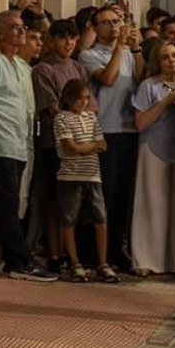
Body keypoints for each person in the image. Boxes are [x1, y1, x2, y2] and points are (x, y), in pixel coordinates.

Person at [0, 12, 53, 280]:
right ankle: (18, 262)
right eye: (13, 28)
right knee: (7, 202)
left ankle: (16, 257)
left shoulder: (20, 66)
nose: (20, 31)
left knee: (13, 203)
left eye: (21, 27)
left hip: (17, 143)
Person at [80, 5, 141, 271]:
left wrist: (136, 50)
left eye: (117, 21)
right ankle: (94, 252)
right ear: (96, 27)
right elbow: (108, 78)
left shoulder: (127, 53)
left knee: (122, 197)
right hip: (104, 130)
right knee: (102, 195)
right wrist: (120, 49)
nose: (114, 26)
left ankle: (116, 250)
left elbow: (142, 79)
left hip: (129, 130)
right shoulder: (88, 55)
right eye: (106, 22)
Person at [130, 43, 175, 275]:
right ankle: (146, 260)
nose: (171, 60)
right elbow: (140, 123)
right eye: (166, 57)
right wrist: (165, 103)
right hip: (153, 148)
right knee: (152, 205)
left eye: (174, 55)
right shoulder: (149, 86)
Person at [31, 19, 86, 270]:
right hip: (55, 143)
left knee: (72, 201)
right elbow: (53, 109)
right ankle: (54, 253)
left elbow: (92, 104)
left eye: (73, 38)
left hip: (79, 142)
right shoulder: (44, 69)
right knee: (53, 199)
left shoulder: (78, 68)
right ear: (52, 40)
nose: (69, 43)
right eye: (63, 38)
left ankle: (69, 251)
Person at [53, 79, 118, 282]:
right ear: (69, 98)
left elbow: (103, 144)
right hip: (70, 175)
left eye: (87, 98)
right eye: (79, 98)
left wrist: (84, 148)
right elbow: (70, 146)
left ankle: (102, 263)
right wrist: (89, 148)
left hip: (92, 174)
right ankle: (74, 262)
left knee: (101, 219)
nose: (83, 102)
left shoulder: (91, 117)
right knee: (69, 219)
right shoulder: (61, 119)